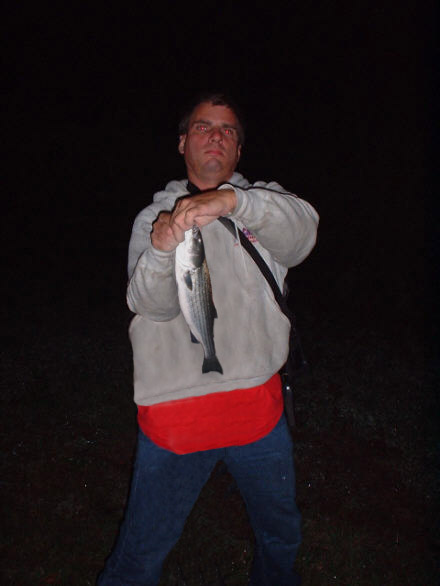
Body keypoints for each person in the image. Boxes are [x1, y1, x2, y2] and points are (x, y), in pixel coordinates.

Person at [98, 92, 319, 586]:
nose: (215, 136)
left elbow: (302, 236)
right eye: (203, 126)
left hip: (258, 415)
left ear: (238, 149)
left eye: (227, 130)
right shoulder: (153, 219)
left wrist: (233, 202)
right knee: (140, 555)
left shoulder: (263, 203)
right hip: (177, 422)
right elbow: (152, 306)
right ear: (182, 143)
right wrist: (162, 249)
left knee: (281, 538)